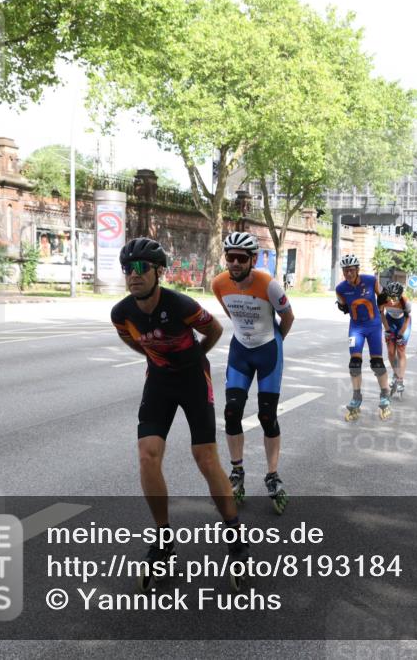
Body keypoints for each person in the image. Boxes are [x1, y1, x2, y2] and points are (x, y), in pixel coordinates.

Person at [110, 237, 246, 591]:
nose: (133, 275)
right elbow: (131, 339)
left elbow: (214, 329)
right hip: (159, 381)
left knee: (204, 458)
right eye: (128, 269)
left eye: (141, 268)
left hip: (192, 379)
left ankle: (235, 537)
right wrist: (156, 359)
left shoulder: (180, 304)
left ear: (158, 272)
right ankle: (164, 539)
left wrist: (194, 356)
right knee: (147, 455)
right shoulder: (121, 313)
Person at [212, 232, 294, 515]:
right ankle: (237, 471)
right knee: (231, 412)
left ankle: (272, 474)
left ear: (253, 260)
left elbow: (288, 316)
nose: (234, 263)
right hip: (240, 351)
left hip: (268, 350)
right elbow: (231, 314)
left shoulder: (269, 286)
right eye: (230, 257)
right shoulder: (219, 284)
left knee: (267, 415)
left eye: (241, 258)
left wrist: (276, 341)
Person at [335, 254, 392, 420]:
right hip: (356, 328)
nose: (348, 274)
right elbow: (343, 306)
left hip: (373, 326)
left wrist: (382, 306)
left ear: (357, 270)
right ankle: (356, 397)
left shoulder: (370, 280)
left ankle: (384, 395)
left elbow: (383, 297)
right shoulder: (340, 288)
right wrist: (341, 305)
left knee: (377, 363)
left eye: (351, 270)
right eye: (345, 271)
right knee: (354, 364)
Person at [380, 281, 411, 398]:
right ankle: (396, 373)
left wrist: (401, 333)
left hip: (403, 322)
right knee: (391, 352)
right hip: (390, 321)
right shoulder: (383, 299)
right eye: (390, 297)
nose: (392, 301)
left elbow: (408, 318)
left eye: (395, 298)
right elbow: (381, 314)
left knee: (401, 349)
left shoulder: (405, 301)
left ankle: (400, 379)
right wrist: (387, 329)